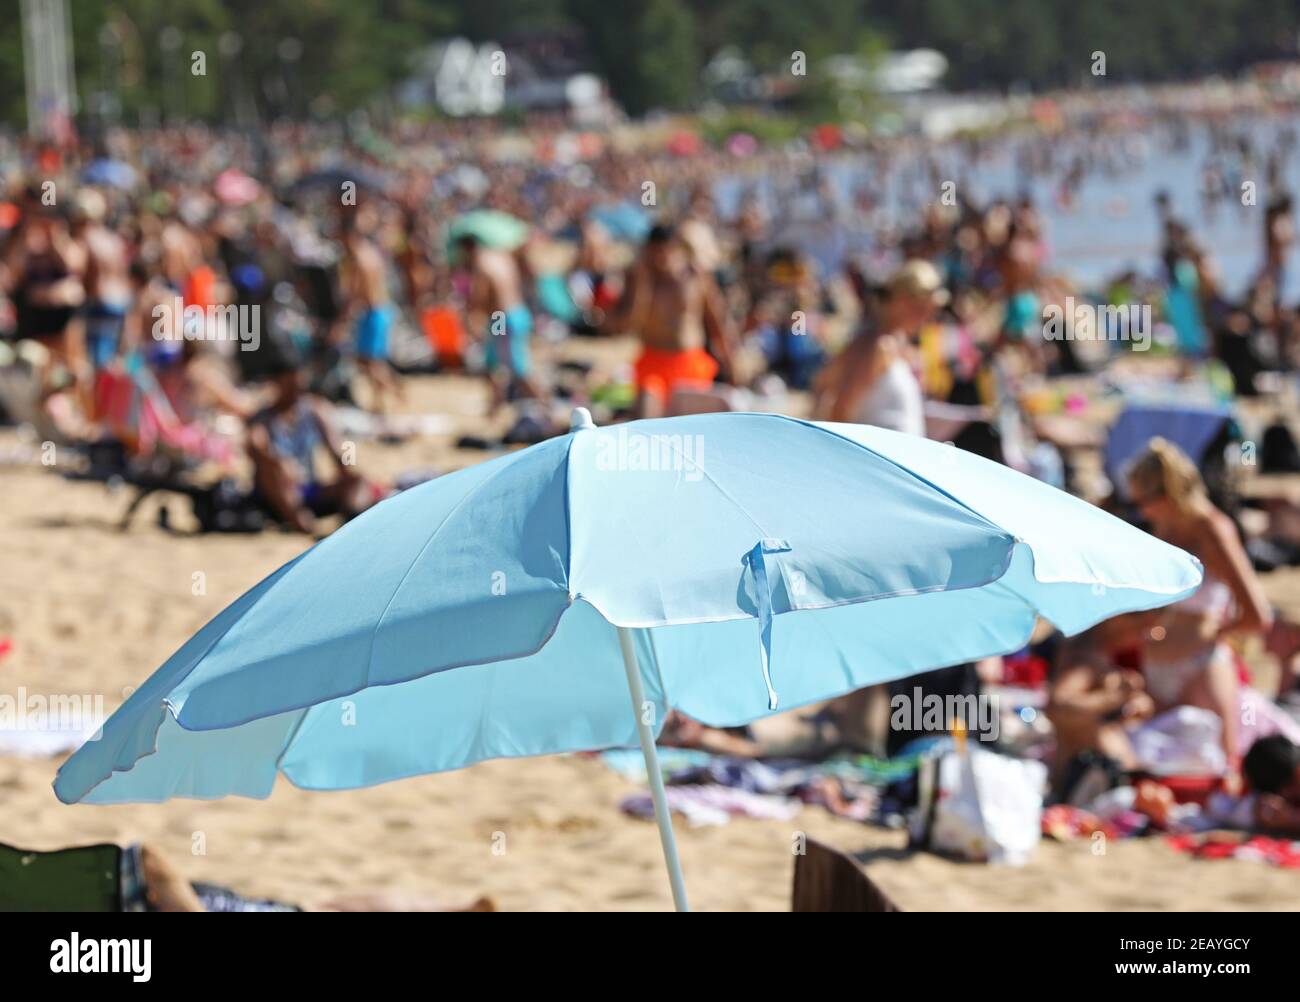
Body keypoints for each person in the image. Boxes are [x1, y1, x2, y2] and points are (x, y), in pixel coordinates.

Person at [1127, 438, 1274, 774]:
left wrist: (1211, 634)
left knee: (1221, 769)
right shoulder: (1164, 529)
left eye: (1143, 501)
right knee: (1167, 773)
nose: (1140, 510)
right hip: (1157, 668)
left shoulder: (1212, 529)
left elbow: (1257, 615)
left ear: (1167, 495)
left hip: (1201, 668)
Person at [611, 223, 736, 416]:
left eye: (665, 251)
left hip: (689, 362)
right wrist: (642, 287)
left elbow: (716, 323)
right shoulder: (638, 277)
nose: (660, 258)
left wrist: (730, 365)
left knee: (691, 419)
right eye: (654, 252)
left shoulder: (695, 277)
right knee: (647, 409)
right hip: (653, 362)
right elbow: (626, 325)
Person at [246, 359, 378, 534]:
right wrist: (278, 462)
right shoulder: (263, 418)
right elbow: (256, 448)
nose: (296, 391)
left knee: (357, 480)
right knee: (272, 473)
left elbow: (339, 446)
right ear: (277, 384)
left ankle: (353, 518)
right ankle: (303, 525)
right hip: (277, 494)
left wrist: (346, 464)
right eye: (291, 385)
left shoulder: (313, 410)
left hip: (307, 488)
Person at [812, 259, 942, 435]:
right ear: (902, 302)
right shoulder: (879, 345)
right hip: (879, 456)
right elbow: (839, 409)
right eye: (922, 309)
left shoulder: (893, 344)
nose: (927, 317)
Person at [456, 232, 540, 407]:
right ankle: (495, 405)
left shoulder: (481, 264)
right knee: (494, 361)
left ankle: (542, 402)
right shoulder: (500, 256)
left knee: (514, 366)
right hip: (516, 312)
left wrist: (470, 318)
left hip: (501, 317)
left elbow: (479, 297)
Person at [339, 212, 401, 415]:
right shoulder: (369, 253)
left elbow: (357, 292)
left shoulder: (360, 258)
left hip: (374, 312)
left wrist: (342, 320)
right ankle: (392, 392)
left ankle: (383, 401)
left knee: (371, 361)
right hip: (378, 311)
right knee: (367, 360)